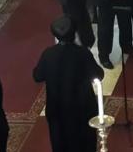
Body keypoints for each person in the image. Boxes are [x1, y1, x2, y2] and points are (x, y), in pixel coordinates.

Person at [33, 17, 104, 152]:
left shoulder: (49, 54)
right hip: (82, 108)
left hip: (57, 109)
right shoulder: (82, 53)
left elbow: (37, 76)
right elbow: (98, 75)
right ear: (75, 33)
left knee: (60, 143)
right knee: (85, 142)